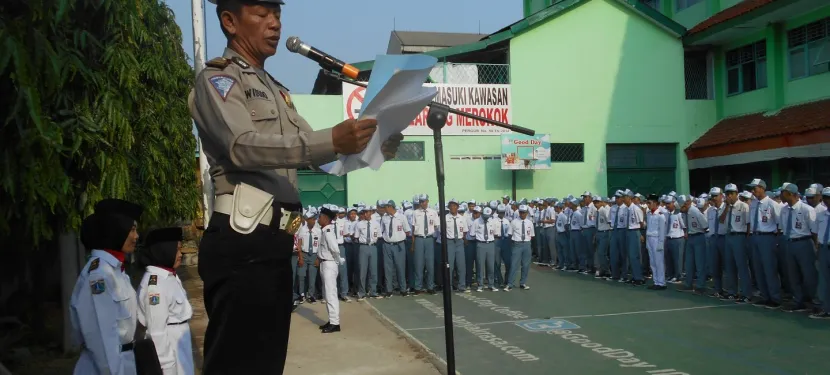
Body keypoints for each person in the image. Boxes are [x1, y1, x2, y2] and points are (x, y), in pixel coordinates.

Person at [192, 0, 403, 373]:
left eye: (278, 14)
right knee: (237, 364)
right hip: (242, 241)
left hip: (274, 242)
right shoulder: (219, 79)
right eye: (261, 13)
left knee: (267, 363)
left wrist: (376, 144)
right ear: (230, 21)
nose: (274, 23)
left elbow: (322, 159)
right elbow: (242, 146)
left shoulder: (277, 89)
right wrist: (333, 140)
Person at [70, 199, 144, 375]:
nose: (136, 236)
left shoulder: (115, 270)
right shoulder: (100, 275)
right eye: (132, 229)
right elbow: (102, 340)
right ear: (116, 230)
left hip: (123, 361)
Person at [137, 227, 195, 375]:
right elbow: (157, 332)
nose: (180, 254)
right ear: (164, 250)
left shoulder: (169, 276)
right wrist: (167, 369)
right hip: (171, 353)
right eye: (176, 250)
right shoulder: (155, 285)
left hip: (181, 348)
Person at [316, 207, 344, 333]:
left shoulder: (328, 232)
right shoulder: (324, 231)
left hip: (329, 264)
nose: (318, 219)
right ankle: (331, 320)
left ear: (326, 219)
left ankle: (335, 323)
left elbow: (335, 248)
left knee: (331, 294)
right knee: (327, 294)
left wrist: (339, 260)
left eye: (320, 217)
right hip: (324, 263)